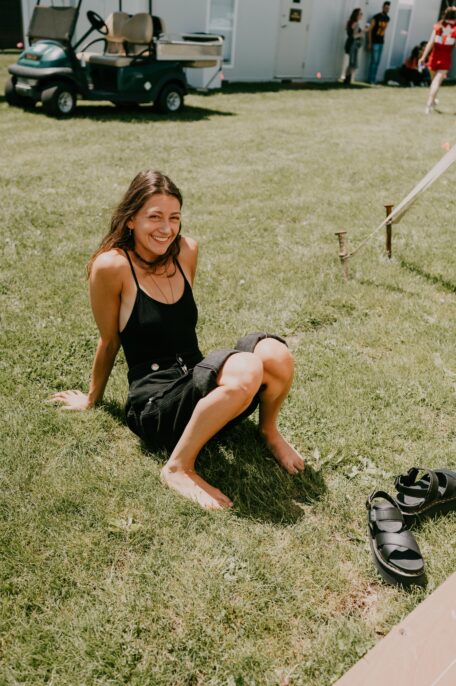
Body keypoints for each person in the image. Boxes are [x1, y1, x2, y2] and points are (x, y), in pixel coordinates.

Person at [51, 171, 305, 510]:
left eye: (174, 218)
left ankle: (269, 432)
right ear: (130, 220)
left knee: (276, 355)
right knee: (245, 368)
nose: (166, 229)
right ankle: (177, 467)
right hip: (155, 407)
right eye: (154, 217)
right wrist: (91, 398)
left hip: (193, 385)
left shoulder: (186, 251)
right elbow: (109, 341)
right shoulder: (111, 266)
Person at [419, 6, 456, 114]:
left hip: (434, 57)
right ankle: (430, 103)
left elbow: (430, 42)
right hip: (445, 58)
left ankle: (430, 103)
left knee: (434, 82)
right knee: (435, 83)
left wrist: (423, 57)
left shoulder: (439, 25)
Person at [367, 2, 391, 84]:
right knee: (374, 61)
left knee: (377, 62)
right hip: (375, 42)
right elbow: (370, 30)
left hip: (381, 42)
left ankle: (373, 79)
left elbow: (384, 30)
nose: (387, 9)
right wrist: (369, 42)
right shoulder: (376, 17)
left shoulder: (387, 18)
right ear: (383, 7)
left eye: (388, 8)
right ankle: (371, 79)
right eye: (386, 7)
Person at [342, 8, 365, 85]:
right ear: (356, 15)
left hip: (349, 43)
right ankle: (347, 80)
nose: (362, 15)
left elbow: (348, 31)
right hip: (353, 44)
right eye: (360, 14)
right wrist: (361, 34)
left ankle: (347, 80)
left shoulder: (349, 22)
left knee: (351, 63)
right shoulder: (356, 24)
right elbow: (354, 36)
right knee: (353, 64)